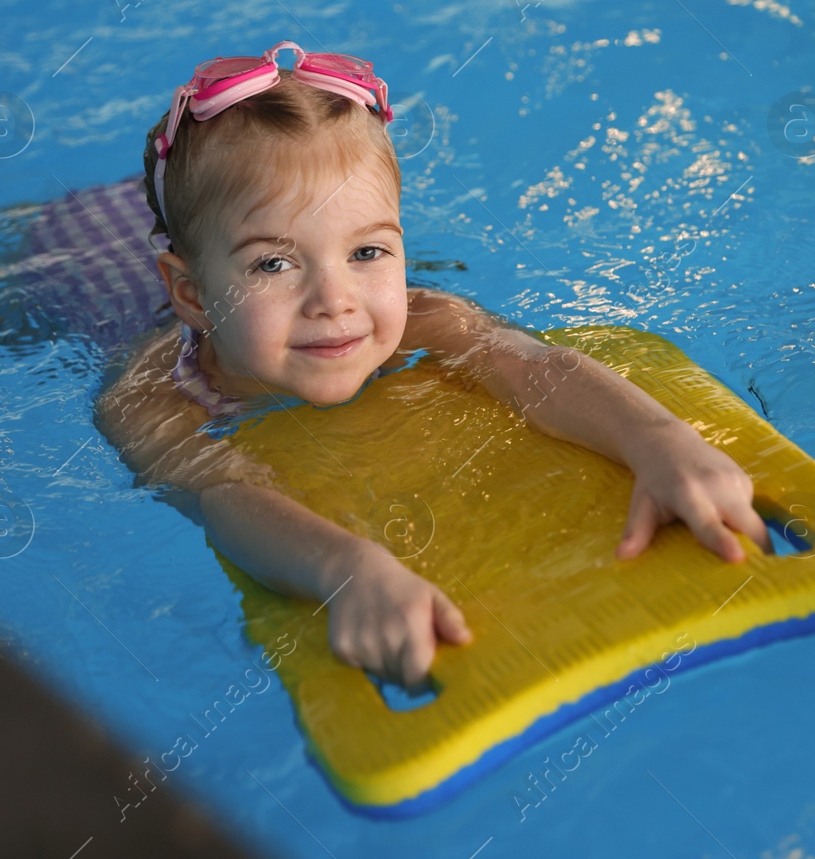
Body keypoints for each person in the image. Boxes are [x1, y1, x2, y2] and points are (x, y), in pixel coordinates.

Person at [91, 40, 771, 691]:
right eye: (274, 263)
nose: (335, 302)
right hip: (89, 264)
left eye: (367, 253)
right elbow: (223, 497)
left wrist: (658, 439)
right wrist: (348, 567)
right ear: (191, 294)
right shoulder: (148, 399)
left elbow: (535, 369)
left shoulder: (426, 317)